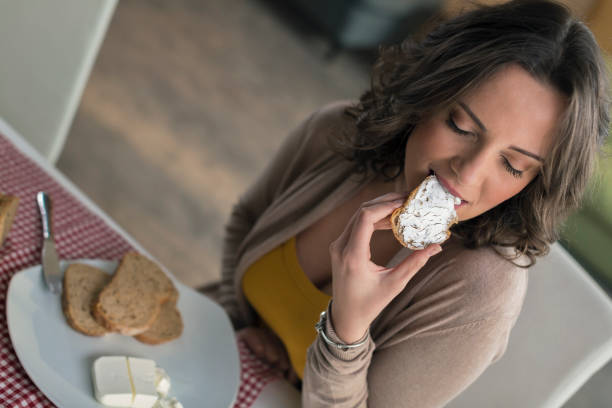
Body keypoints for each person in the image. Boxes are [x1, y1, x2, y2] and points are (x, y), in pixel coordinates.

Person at [212, 1, 610, 406]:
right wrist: (238, 329)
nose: (468, 173)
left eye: (512, 164)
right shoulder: (335, 136)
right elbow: (245, 222)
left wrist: (345, 334)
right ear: (428, 94)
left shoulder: (481, 294)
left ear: (534, 183)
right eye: (461, 126)